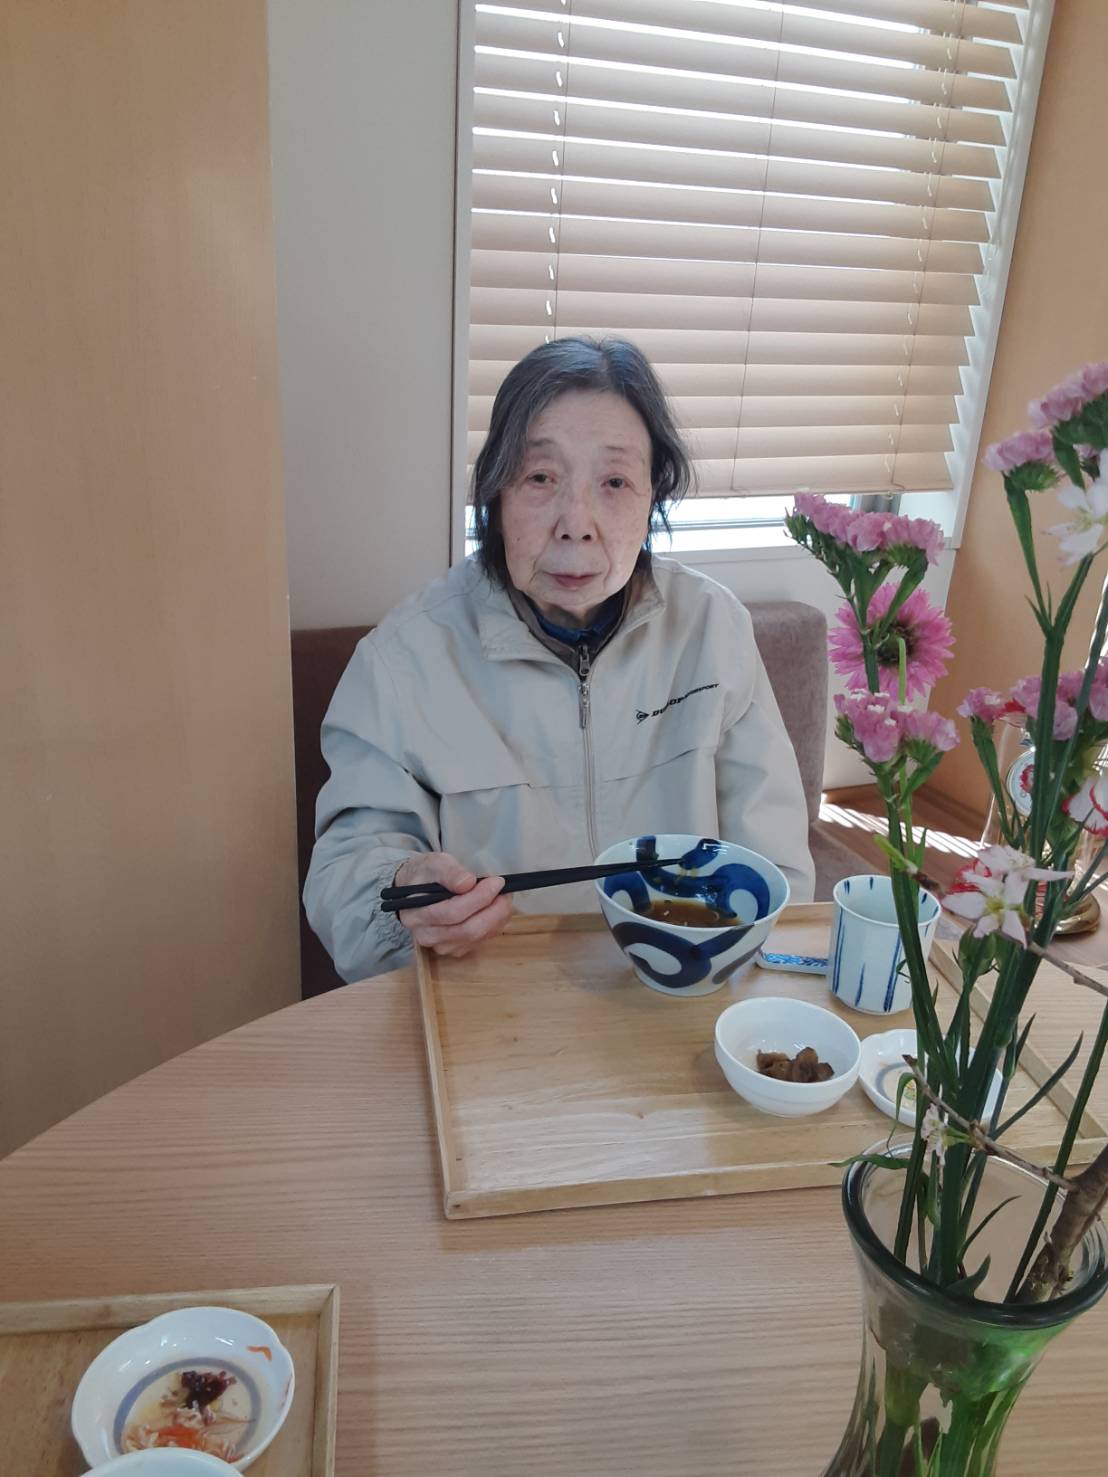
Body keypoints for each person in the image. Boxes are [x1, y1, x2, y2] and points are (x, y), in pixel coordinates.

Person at [305, 337, 815, 981]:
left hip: (679, 991)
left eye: (614, 482)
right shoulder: (404, 659)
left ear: (653, 496)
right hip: (491, 996)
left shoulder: (713, 630)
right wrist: (403, 892)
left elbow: (778, 867)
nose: (576, 522)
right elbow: (346, 875)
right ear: (496, 496)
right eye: (540, 478)